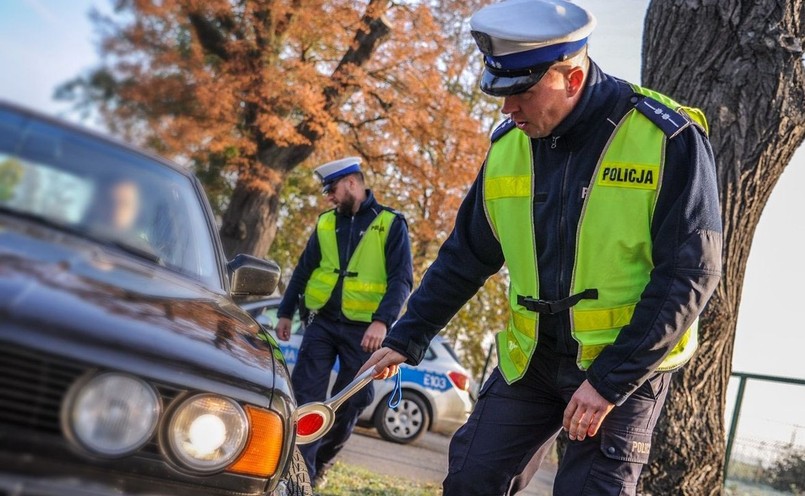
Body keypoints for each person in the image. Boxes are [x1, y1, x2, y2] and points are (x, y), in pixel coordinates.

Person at [360, 1, 722, 494]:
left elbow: (691, 273)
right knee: (470, 480)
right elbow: (466, 255)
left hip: (622, 364)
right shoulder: (508, 146)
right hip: (531, 361)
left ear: (571, 78)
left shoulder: (666, 137)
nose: (507, 108)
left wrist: (609, 381)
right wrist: (406, 336)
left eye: (522, 93)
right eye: (501, 92)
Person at [276, 156, 413, 486]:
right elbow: (305, 269)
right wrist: (285, 311)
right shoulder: (326, 223)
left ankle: (321, 462)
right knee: (306, 399)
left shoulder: (391, 223)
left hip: (365, 331)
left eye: (332, 189)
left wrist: (382, 322)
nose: (329, 197)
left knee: (352, 403)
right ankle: (301, 477)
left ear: (352, 183)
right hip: (321, 323)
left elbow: (401, 280)